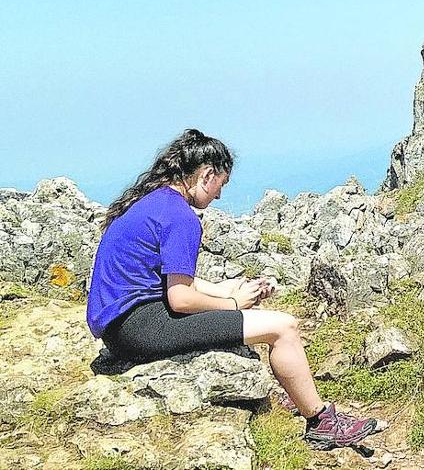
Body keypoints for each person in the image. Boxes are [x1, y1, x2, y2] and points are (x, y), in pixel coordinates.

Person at [85, 128, 381, 450]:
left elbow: (169, 279)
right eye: (221, 185)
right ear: (206, 174)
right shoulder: (180, 216)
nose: (219, 196)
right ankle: (321, 422)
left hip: (121, 328)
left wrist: (226, 291)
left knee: (251, 319)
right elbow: (180, 297)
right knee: (283, 327)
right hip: (140, 328)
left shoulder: (153, 203)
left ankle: (290, 394)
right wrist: (232, 304)